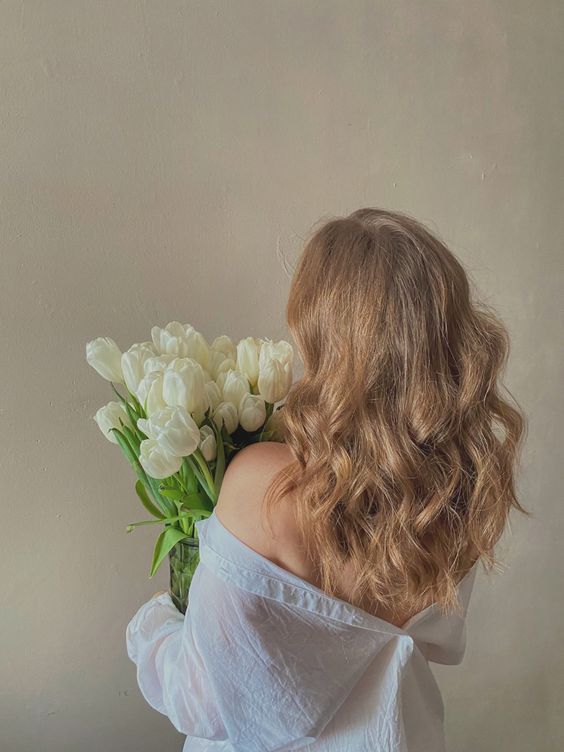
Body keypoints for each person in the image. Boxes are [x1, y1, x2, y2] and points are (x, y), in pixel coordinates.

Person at [126, 208, 529, 751]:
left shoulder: (265, 487)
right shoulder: (456, 494)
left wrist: (154, 624)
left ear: (326, 337)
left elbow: (200, 699)